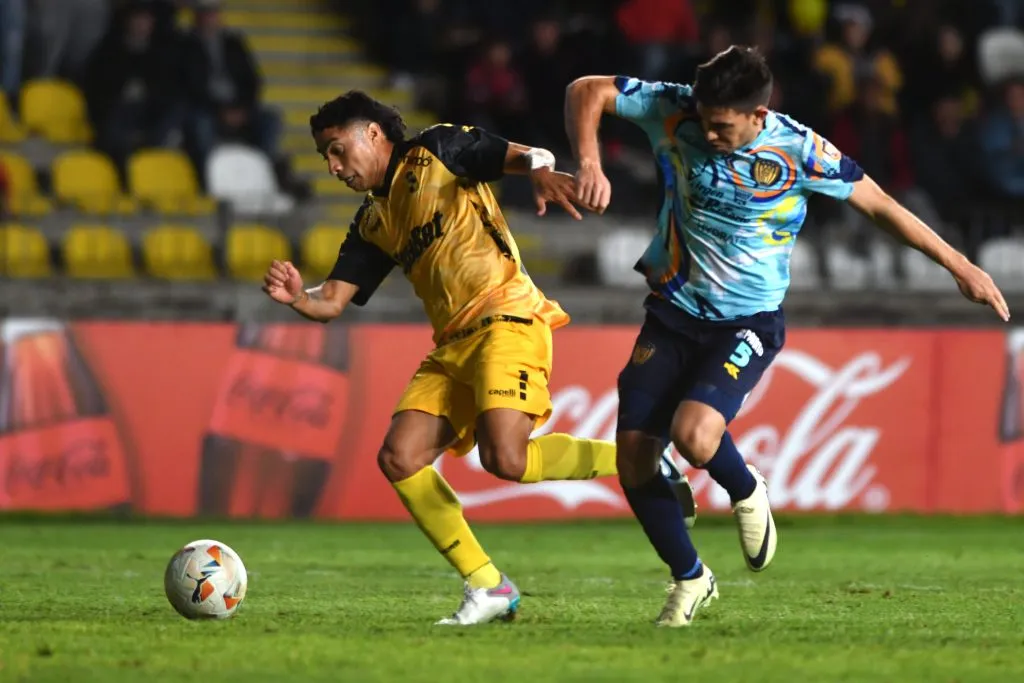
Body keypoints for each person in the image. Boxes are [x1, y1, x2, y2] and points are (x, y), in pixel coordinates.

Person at [564, 46, 1010, 627]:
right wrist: (590, 162)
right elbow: (587, 88)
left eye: (723, 127)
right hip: (673, 309)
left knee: (695, 436)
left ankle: (747, 489)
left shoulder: (800, 150)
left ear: (758, 114)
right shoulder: (676, 108)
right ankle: (690, 578)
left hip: (746, 322)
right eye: (705, 121)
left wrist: (961, 266)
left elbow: (880, 206)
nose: (709, 134)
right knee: (633, 460)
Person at [261, 90, 696, 626]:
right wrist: (298, 297)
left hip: (506, 317)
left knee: (506, 459)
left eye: (336, 150)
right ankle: (488, 585)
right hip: (453, 344)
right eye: (324, 157)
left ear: (372, 134)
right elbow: (331, 301)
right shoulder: (372, 220)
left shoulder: (437, 150)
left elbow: (527, 154)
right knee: (400, 457)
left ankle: (643, 458)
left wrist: (541, 171)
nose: (332, 166)